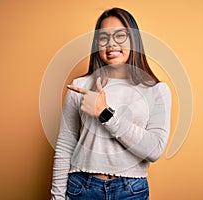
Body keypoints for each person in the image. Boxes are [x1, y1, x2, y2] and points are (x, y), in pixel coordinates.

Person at [51, 7, 171, 200]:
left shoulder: (156, 90)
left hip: (131, 191)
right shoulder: (79, 86)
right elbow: (65, 146)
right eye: (103, 38)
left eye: (120, 36)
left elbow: (154, 150)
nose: (111, 44)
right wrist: (56, 197)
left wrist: (105, 113)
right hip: (82, 188)